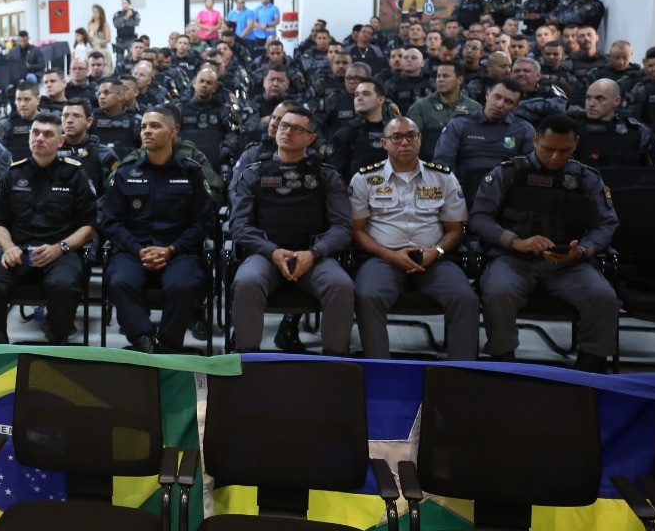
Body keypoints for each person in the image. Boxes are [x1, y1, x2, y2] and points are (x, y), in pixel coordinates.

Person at [468, 115, 621, 370]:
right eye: (548, 149)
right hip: (514, 258)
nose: (555, 157)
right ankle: (503, 364)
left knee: (603, 297)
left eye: (565, 150)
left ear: (576, 144)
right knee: (498, 292)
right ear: (535, 139)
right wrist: (516, 242)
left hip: (568, 263)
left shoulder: (587, 178)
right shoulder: (508, 172)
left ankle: (591, 368)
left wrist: (582, 250)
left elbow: (606, 223)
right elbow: (479, 218)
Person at [348, 117, 478, 360]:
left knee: (465, 298)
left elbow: (455, 229)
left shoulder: (443, 178)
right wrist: (389, 255)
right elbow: (357, 231)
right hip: (384, 259)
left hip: (434, 259)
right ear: (384, 143)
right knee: (367, 296)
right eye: (397, 137)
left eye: (411, 136)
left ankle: (463, 373)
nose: (405, 142)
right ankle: (379, 369)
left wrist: (435, 252)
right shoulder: (364, 179)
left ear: (420, 140)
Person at [227, 108, 355, 354]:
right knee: (246, 282)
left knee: (341, 285)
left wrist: (315, 253)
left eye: (297, 129)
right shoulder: (253, 172)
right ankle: (247, 363)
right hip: (265, 255)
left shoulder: (326, 175)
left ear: (311, 138)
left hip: (313, 256)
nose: (287, 131)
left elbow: (342, 226)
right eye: (284, 125)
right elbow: (239, 225)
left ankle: (336, 364)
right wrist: (273, 252)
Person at [99, 106, 214, 352]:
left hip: (179, 252)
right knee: (119, 281)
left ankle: (168, 346)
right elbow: (111, 221)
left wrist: (172, 249)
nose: (147, 132)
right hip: (133, 251)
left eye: (155, 126)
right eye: (143, 127)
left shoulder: (191, 172)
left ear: (174, 131)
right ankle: (144, 342)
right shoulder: (126, 172)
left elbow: (203, 221)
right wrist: (139, 250)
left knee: (182, 286)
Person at [0, 112, 96, 345]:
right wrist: (8, 247)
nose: (40, 138)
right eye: (35, 132)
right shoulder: (12, 174)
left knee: (64, 285)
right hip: (18, 250)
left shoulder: (75, 174)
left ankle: (56, 340)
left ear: (60, 141)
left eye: (48, 134)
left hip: (60, 251)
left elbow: (89, 227)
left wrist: (60, 247)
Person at [433, 78, 536, 187]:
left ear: (516, 107)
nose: (499, 104)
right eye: (497, 97)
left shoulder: (524, 129)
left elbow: (532, 166)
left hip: (507, 191)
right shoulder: (459, 124)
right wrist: (456, 190)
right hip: (464, 190)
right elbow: (442, 161)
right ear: (487, 94)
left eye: (508, 101)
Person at [572, 79, 655, 169]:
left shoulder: (637, 131)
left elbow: (654, 172)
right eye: (588, 98)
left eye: (600, 99)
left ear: (616, 101)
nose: (591, 104)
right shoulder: (572, 128)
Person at [406, 63, 480, 160]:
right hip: (430, 164)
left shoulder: (474, 108)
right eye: (438, 76)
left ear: (460, 79)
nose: (440, 80)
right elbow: (410, 140)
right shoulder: (420, 106)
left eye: (445, 76)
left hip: (464, 163)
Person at [56, 98, 119, 193]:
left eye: (76, 116)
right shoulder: (51, 151)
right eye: (65, 115)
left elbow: (114, 182)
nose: (69, 120)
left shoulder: (104, 154)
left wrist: (101, 204)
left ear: (89, 122)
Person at [83, 4, 113, 73]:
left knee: (104, 70)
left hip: (102, 49)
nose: (95, 14)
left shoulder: (104, 24)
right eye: (93, 12)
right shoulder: (90, 24)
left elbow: (108, 39)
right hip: (92, 49)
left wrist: (98, 43)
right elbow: (88, 37)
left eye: (97, 12)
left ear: (101, 13)